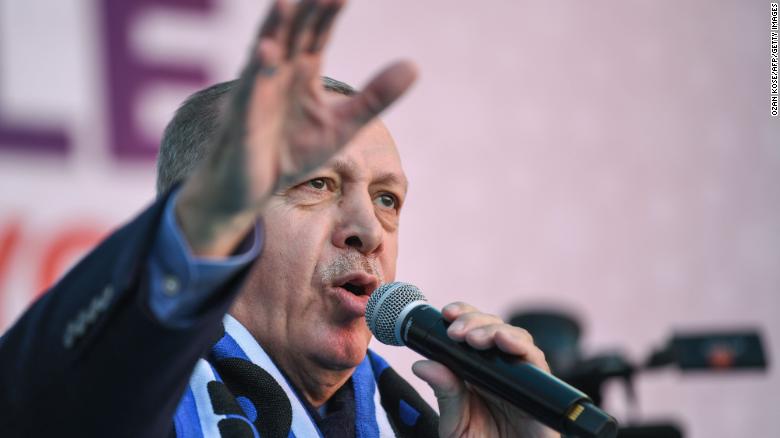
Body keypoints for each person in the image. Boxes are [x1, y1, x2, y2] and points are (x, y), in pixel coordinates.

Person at [0, 1, 558, 437]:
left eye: (388, 198)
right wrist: (191, 235)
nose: (367, 228)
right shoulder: (121, 402)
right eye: (317, 183)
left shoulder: (422, 426)